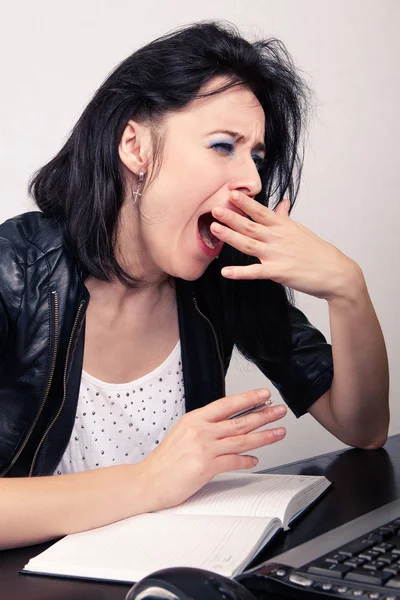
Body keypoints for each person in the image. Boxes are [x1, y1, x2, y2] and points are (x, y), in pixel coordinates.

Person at [0, 21, 389, 550]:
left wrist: (348, 288)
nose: (252, 180)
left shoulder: (226, 278)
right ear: (135, 147)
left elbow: (362, 428)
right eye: (223, 145)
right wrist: (148, 482)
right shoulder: (14, 269)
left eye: (255, 156)